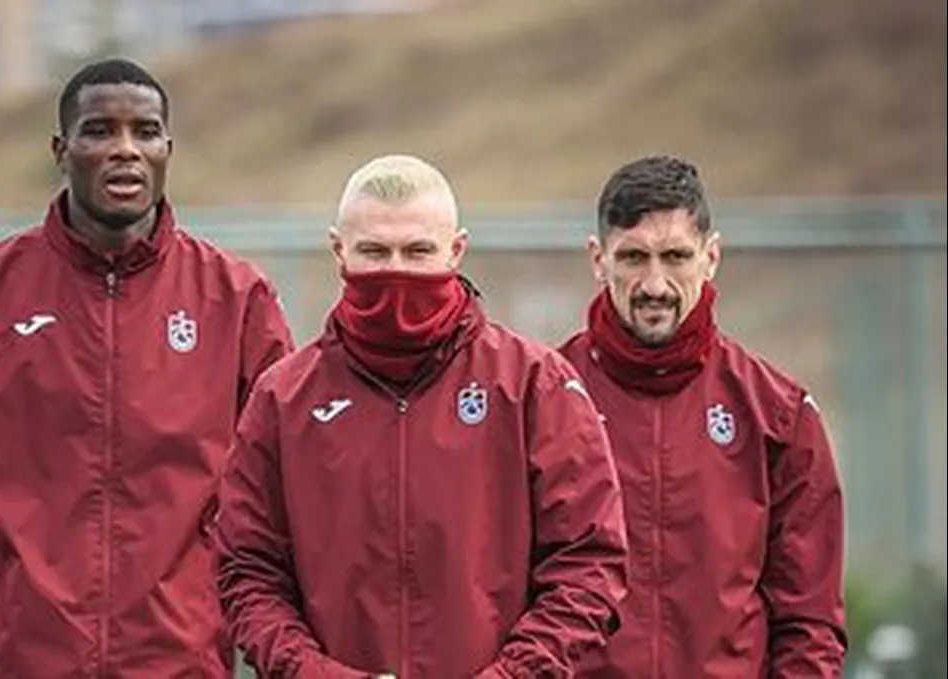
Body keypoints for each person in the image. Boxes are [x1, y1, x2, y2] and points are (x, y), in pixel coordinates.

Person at [0, 58, 294, 678]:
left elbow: (280, 513)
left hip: (180, 665)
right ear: (62, 150)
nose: (125, 149)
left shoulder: (238, 301)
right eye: (100, 130)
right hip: (17, 664)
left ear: (167, 149)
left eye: (145, 132)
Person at [215, 154, 628, 678]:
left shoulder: (533, 385)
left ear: (456, 250)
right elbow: (247, 570)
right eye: (374, 252)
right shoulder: (284, 398)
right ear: (339, 251)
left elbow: (589, 561)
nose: (397, 272)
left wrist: (513, 674)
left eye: (418, 251)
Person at [559, 155, 847, 677]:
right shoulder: (546, 401)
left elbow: (810, 620)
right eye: (633, 258)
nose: (655, 284)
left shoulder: (778, 413)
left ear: (711, 257)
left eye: (675, 256)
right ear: (598, 260)